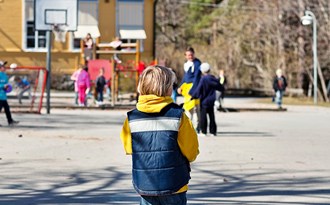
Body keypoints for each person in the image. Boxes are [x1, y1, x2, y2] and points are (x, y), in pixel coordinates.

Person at [120, 65, 199, 205]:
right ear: (167, 88)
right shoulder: (178, 116)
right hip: (174, 183)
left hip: (145, 183)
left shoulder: (132, 118)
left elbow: (129, 148)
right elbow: (191, 151)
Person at [192, 63, 223, 137]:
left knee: (203, 117)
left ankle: (204, 131)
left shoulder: (203, 79)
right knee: (212, 116)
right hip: (211, 100)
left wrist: (194, 96)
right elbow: (220, 87)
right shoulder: (213, 78)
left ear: (202, 71)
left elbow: (199, 89)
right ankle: (213, 132)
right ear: (209, 70)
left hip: (204, 101)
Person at [177, 47, 202, 132]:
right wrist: (180, 86)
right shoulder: (186, 64)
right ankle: (189, 127)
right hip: (187, 89)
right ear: (185, 56)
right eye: (188, 55)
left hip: (194, 89)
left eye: (191, 54)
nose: (190, 56)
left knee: (195, 109)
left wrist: (193, 91)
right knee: (188, 109)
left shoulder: (197, 64)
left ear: (194, 54)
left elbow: (196, 78)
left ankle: (197, 127)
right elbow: (185, 77)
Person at [0, 61, 19, 126]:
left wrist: (8, 87)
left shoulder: (5, 75)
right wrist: (3, 86)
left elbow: (7, 85)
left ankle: (10, 121)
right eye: (3, 66)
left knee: (7, 109)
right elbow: (2, 85)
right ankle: (10, 121)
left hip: (3, 96)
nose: (4, 67)